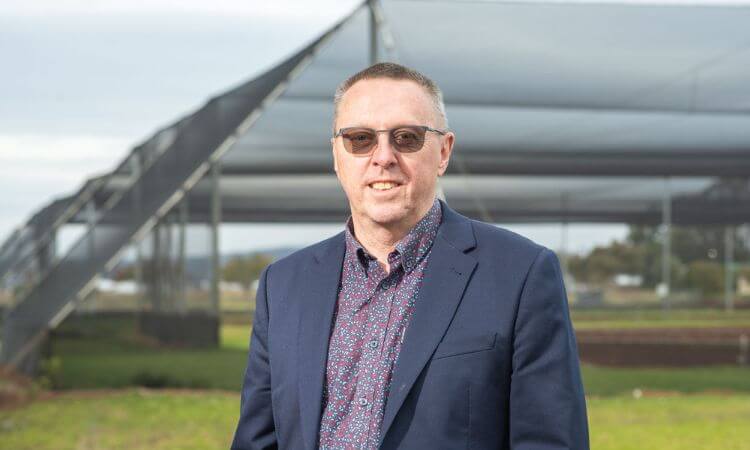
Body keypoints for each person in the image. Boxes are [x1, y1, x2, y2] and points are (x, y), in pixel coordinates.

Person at [231, 62, 589, 450]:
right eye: (360, 138)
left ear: (443, 151)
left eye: (406, 137)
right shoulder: (283, 284)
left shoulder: (520, 275)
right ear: (337, 155)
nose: (383, 156)